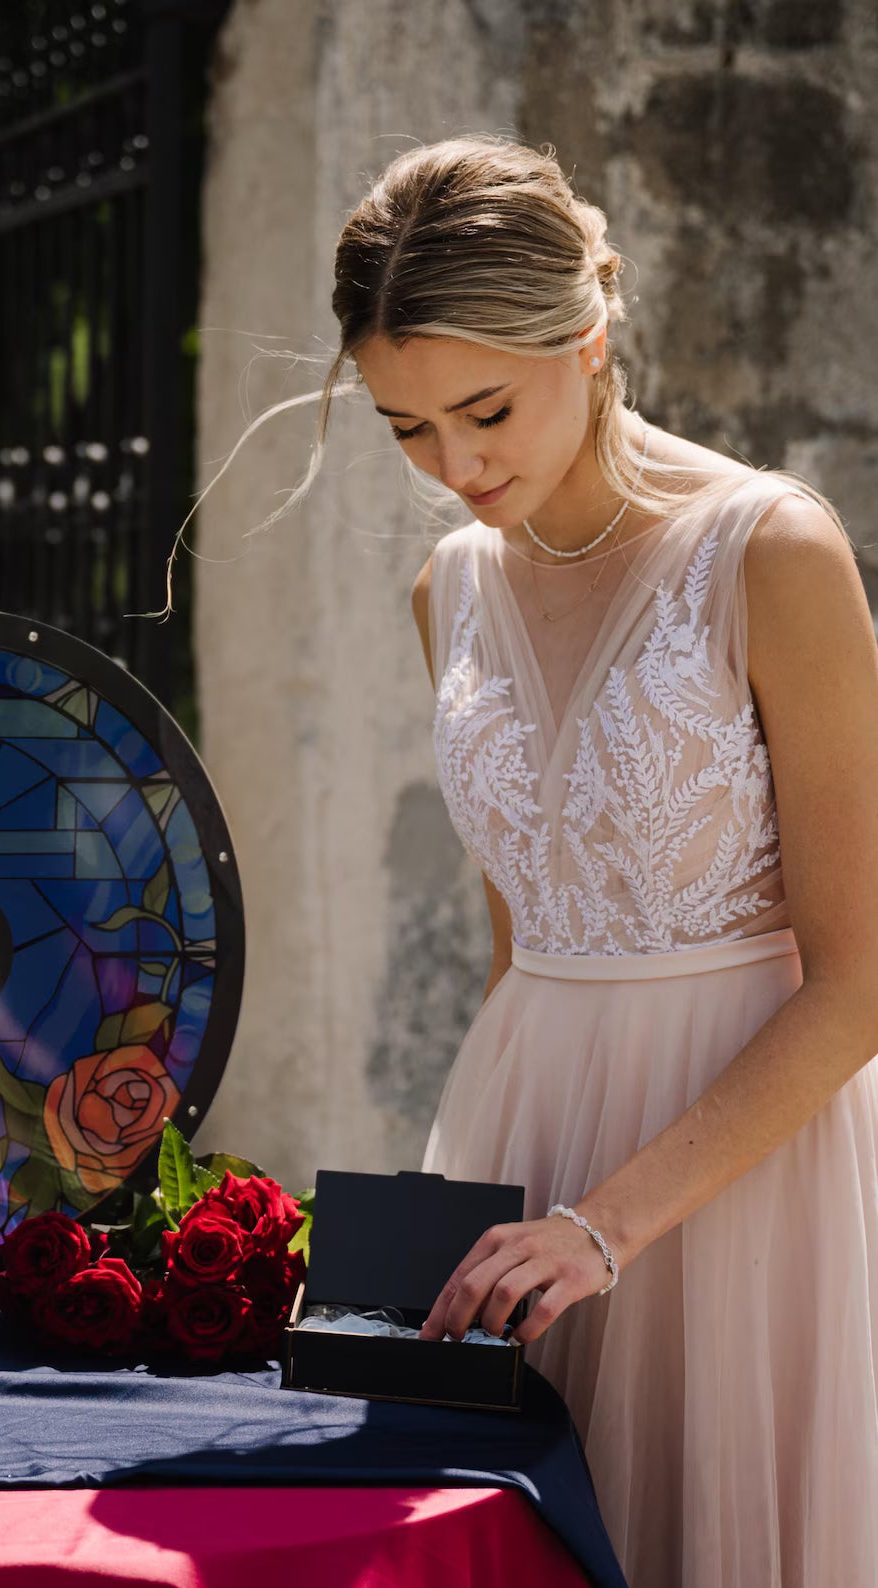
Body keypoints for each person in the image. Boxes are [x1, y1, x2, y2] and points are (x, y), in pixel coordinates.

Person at [304, 134, 878, 1587]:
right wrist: (488, 1210)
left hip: (741, 1172)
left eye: (485, 411)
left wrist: (605, 1229)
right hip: (525, 1134)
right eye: (408, 429)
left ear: (590, 335)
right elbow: (525, 941)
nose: (457, 468)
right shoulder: (450, 588)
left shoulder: (770, 552)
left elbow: (863, 983)